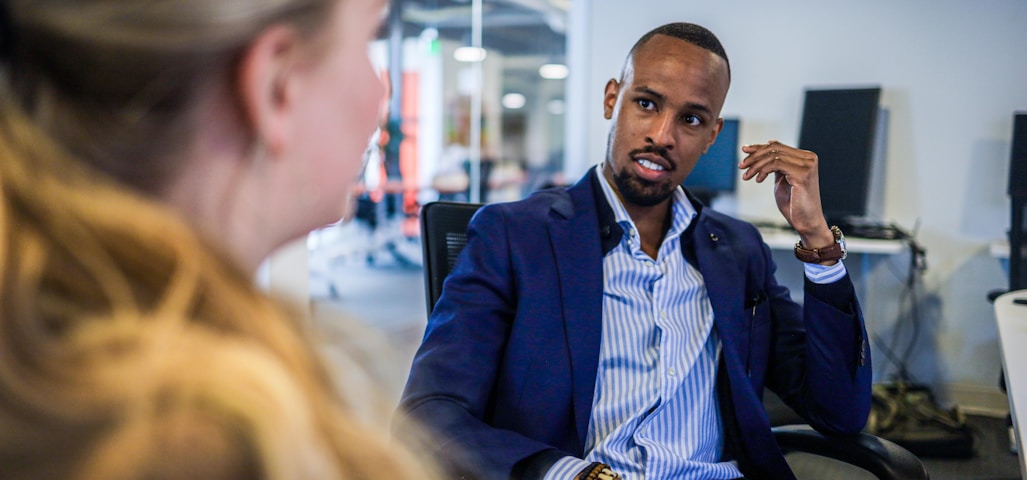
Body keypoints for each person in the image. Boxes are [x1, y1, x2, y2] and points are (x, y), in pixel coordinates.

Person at [399, 22, 872, 480]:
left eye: (691, 119)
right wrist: (564, 473)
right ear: (612, 99)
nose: (664, 135)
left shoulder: (737, 251)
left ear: (712, 135)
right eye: (646, 103)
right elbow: (428, 413)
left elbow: (840, 413)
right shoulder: (515, 237)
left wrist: (817, 239)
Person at [0, 0, 434, 478]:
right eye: (368, 43)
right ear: (277, 82)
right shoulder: (204, 445)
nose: (380, 96)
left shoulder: (43, 343)